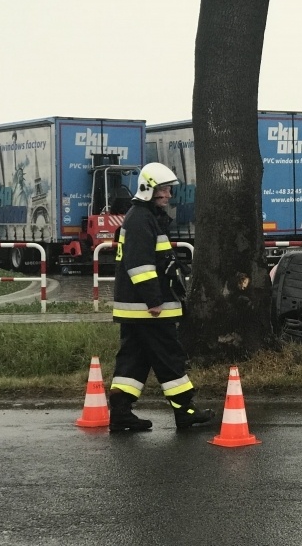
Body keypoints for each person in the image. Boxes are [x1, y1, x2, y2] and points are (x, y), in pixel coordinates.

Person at [108, 162, 215, 432]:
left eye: (168, 190)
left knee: (134, 359)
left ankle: (120, 413)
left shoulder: (143, 217)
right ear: (148, 190)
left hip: (136, 308)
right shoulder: (142, 220)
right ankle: (185, 411)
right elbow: (140, 265)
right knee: (169, 356)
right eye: (164, 190)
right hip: (149, 308)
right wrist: (154, 300)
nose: (168, 195)